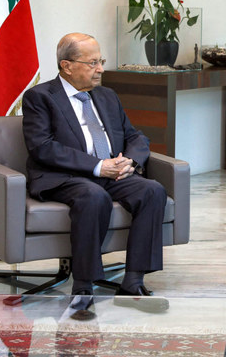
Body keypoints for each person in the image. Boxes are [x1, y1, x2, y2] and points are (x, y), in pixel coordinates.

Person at [22, 33, 168, 306]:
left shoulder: (107, 96)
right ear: (67, 66)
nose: (100, 68)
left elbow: (134, 135)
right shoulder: (39, 97)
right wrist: (98, 166)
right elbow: (42, 147)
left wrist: (130, 162)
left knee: (152, 190)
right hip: (66, 176)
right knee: (93, 196)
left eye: (100, 61)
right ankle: (84, 284)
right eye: (92, 63)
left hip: (112, 171)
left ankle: (134, 280)